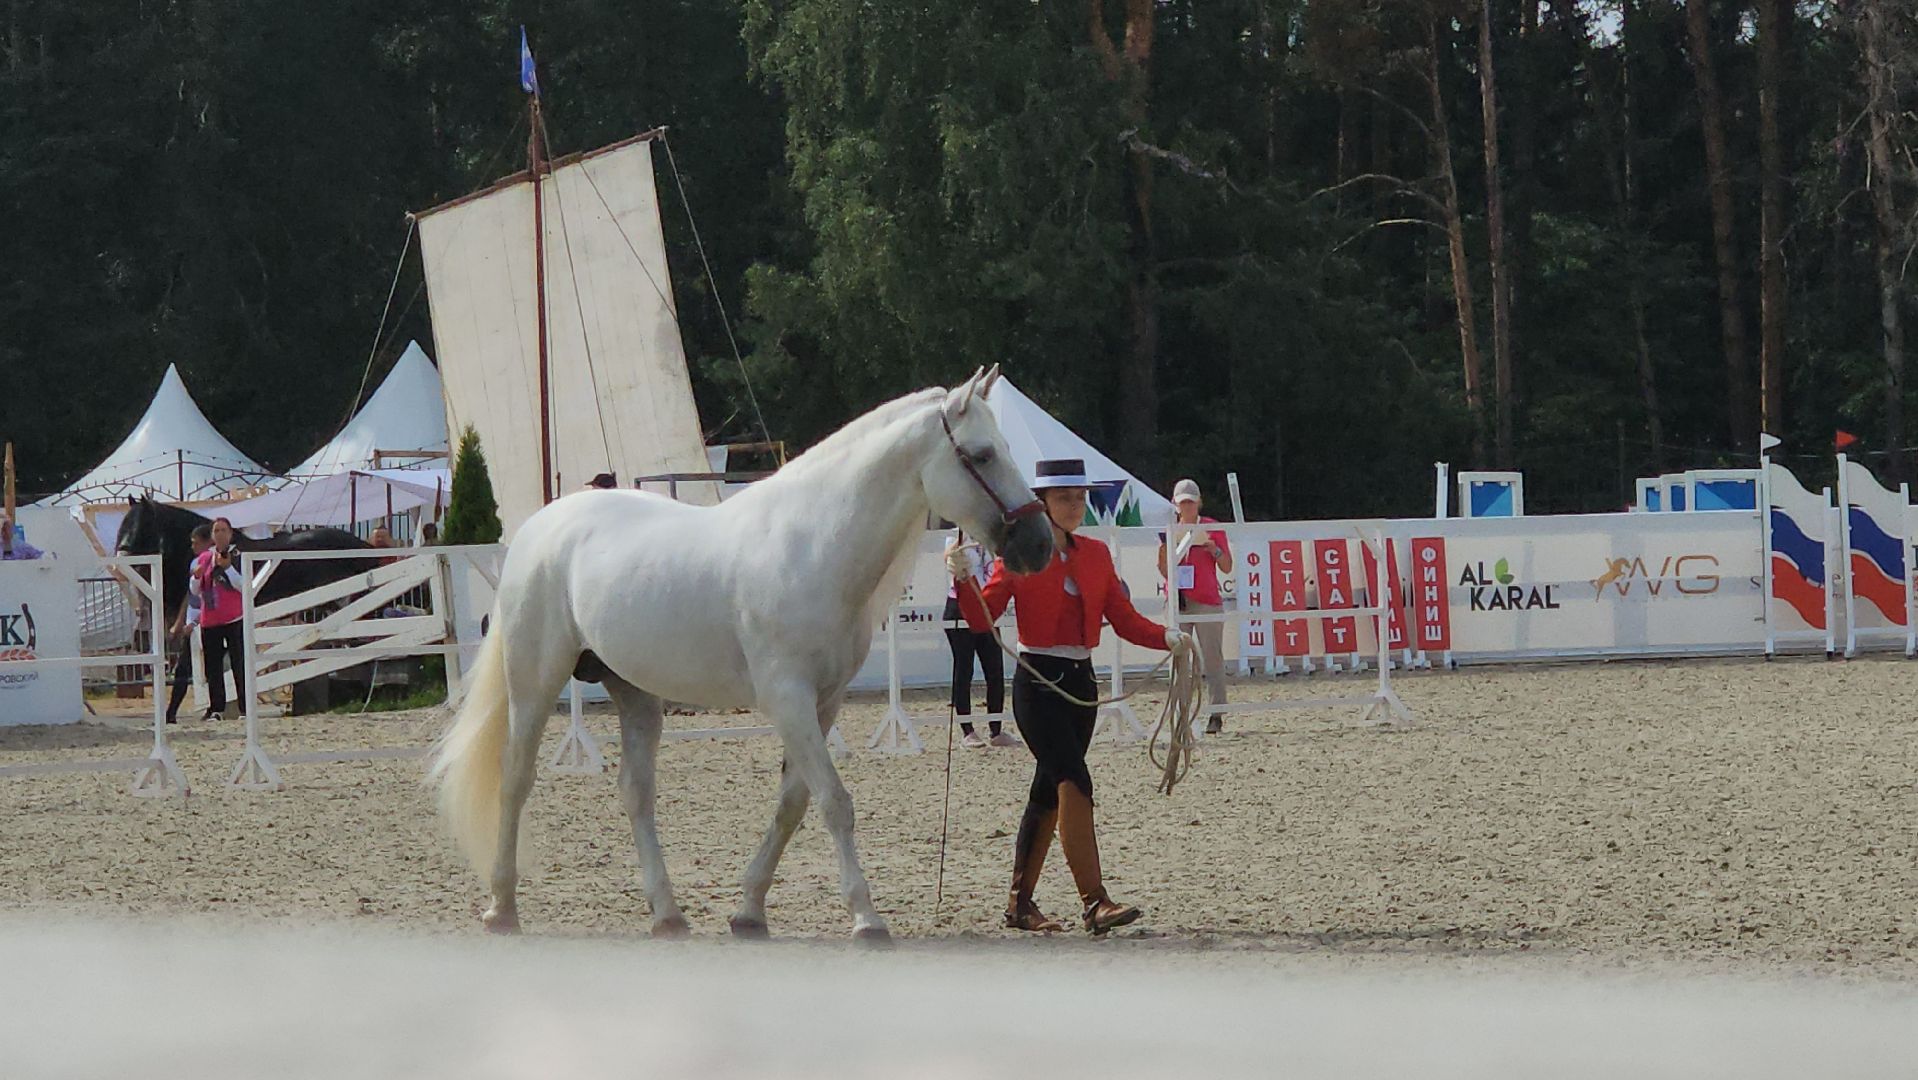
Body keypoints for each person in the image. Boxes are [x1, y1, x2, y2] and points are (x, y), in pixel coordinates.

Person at [955, 458, 1190, 935]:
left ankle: (1020, 904)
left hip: (1081, 683)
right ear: (1041, 504)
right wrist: (963, 580)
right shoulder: (1019, 555)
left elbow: (1123, 619)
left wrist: (1165, 638)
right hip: (1037, 683)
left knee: (1048, 792)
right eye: (1064, 498)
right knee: (1074, 780)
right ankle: (1095, 902)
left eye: (1080, 497)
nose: (1075, 505)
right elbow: (981, 618)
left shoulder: (1097, 555)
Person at [1158, 478, 1233, 733]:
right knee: (1179, 659)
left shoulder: (1212, 527)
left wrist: (1214, 550)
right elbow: (1164, 570)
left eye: (1191, 502)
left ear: (1199, 502)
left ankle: (1216, 712)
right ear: (1175, 504)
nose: (1187, 507)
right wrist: (1165, 550)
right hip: (1177, 599)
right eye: (1183, 503)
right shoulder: (1170, 529)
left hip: (1206, 601)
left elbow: (1227, 567)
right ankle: (1180, 713)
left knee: (1212, 658)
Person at [943, 528, 1013, 749]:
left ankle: (996, 729)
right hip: (960, 607)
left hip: (987, 605)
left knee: (995, 669)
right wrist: (953, 555)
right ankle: (967, 731)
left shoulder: (991, 538)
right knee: (964, 669)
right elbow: (948, 554)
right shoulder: (958, 535)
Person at [194, 517, 247, 721]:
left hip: (233, 617)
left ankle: (244, 708)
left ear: (231, 533)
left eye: (224, 530)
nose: (220, 534)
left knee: (239, 663)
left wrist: (228, 568)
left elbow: (243, 585)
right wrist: (196, 577)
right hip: (210, 618)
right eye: (216, 530)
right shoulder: (205, 558)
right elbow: (195, 590)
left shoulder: (238, 555)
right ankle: (217, 708)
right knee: (213, 667)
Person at [164, 525, 213, 724]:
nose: (193, 547)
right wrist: (180, 621)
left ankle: (212, 707)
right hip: (192, 621)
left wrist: (194, 622)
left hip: (205, 621)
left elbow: (210, 596)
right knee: (184, 667)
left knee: (207, 667)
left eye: (196, 543)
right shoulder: (195, 563)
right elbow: (190, 594)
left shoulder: (211, 563)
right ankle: (171, 711)